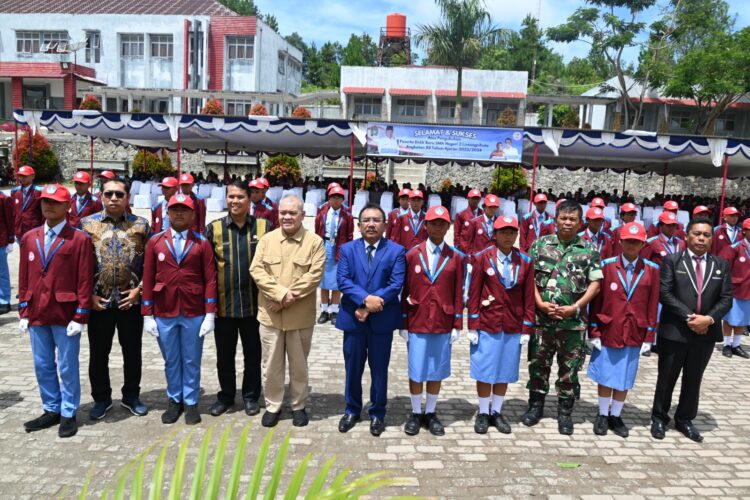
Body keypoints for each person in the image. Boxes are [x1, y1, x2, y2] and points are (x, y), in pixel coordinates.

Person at [18, 184, 94, 438]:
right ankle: (51, 408)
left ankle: (68, 411)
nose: (48, 205)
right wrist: (23, 310)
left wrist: (81, 314)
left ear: (67, 206)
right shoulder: (30, 237)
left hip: (65, 312)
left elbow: (84, 279)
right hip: (38, 310)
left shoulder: (79, 239)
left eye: (54, 202)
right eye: (44, 201)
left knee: (67, 365)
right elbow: (24, 276)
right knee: (42, 364)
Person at [523, 200, 602, 435]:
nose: (567, 223)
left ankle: (565, 413)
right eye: (563, 218)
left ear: (580, 223)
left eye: (572, 219)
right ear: (555, 219)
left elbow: (595, 283)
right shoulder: (539, 245)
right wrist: (539, 303)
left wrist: (575, 308)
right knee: (538, 365)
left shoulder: (589, 250)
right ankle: (535, 406)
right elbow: (528, 278)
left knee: (569, 370)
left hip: (573, 323)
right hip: (542, 321)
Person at [651, 218, 732, 443]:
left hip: (705, 333)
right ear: (686, 236)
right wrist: (691, 318)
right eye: (697, 234)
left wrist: (708, 319)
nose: (701, 238)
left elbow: (726, 299)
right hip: (675, 329)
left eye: (706, 235)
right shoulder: (671, 261)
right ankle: (659, 417)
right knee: (667, 377)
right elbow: (665, 294)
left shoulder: (720, 264)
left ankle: (685, 419)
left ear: (711, 239)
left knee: (694, 378)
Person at [249, 194, 325, 428]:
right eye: (283, 213)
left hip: (300, 317)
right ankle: (273, 404)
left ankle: (298, 405)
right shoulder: (267, 240)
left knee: (299, 365)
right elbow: (257, 270)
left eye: (292, 213)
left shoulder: (314, 242)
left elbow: (314, 275)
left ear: (302, 215)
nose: (287, 217)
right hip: (270, 316)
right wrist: (282, 295)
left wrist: (285, 298)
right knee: (271, 365)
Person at [142, 193, 218, 425]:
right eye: (174, 209)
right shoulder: (155, 241)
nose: (179, 213)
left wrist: (210, 314)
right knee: (171, 359)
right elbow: (147, 278)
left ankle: (191, 401)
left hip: (193, 311)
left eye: (184, 209)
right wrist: (147, 314)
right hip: (164, 310)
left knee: (191, 359)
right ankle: (174, 400)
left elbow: (210, 279)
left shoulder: (201, 243)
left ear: (193, 214)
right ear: (167, 212)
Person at [80, 178, 151, 420]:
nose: (113, 198)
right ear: (101, 196)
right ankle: (101, 398)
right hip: (98, 302)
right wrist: (87, 295)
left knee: (132, 351)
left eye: (119, 194)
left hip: (130, 300)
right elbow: (78, 266)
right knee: (99, 352)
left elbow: (150, 266)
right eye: (108, 193)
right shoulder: (87, 225)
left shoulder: (141, 225)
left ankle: (131, 396)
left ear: (127, 198)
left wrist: (139, 291)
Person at [335, 203, 406, 436]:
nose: (371, 224)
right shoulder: (347, 249)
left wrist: (371, 305)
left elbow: (396, 284)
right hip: (354, 320)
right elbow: (343, 280)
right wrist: (365, 300)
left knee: (379, 370)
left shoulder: (396, 251)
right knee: (352, 368)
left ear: (385, 225)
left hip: (381, 322)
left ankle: (377, 413)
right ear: (359, 225)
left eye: (376, 220)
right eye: (366, 220)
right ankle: (352, 409)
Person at [205, 180, 273, 417]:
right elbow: (207, 270)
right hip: (224, 307)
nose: (235, 201)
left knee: (253, 356)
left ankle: (251, 396)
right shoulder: (213, 229)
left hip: (256, 307)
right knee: (225, 356)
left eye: (240, 197)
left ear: (250, 199)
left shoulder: (265, 227)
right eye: (231, 196)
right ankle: (225, 397)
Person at [588, 222, 659, 438]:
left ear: (643, 244)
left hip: (634, 330)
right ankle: (602, 414)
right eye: (628, 240)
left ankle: (616, 415)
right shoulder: (607, 265)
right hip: (609, 327)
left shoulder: (652, 270)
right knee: (606, 373)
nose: (632, 245)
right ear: (620, 241)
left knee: (625, 375)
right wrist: (593, 329)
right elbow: (596, 300)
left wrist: (650, 333)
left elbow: (653, 303)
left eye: (636, 242)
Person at [400, 206, 465, 437]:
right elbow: (404, 290)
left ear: (448, 227)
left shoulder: (456, 257)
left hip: (442, 321)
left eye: (442, 223)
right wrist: (403, 322)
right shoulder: (411, 255)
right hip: (417, 319)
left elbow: (459, 292)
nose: (438, 226)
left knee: (436, 369)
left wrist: (458, 323)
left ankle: (431, 412)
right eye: (433, 222)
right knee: (417, 369)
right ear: (425, 225)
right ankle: (416, 412)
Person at [466, 215, 534, 434]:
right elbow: (474, 293)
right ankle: (484, 411)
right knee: (485, 370)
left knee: (504, 370)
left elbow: (528, 296)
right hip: (488, 322)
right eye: (503, 232)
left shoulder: (524, 260)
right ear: (494, 235)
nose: (508, 236)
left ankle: (497, 411)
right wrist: (473, 324)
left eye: (512, 232)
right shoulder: (481, 258)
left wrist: (527, 326)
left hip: (512, 323)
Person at [315, 185, 354, 324]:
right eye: (333, 197)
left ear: (343, 199)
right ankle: (324, 310)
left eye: (338, 197)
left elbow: (350, 234)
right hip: (325, 247)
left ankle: (335, 311)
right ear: (329, 199)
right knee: (324, 282)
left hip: (340, 248)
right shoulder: (322, 211)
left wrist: (349, 252)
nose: (336, 200)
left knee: (337, 282)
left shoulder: (347, 215)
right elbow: (317, 230)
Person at [717, 218, 750, 359]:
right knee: (730, 318)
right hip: (735, 289)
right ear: (745, 231)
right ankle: (727, 344)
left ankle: (736, 345)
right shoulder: (735, 247)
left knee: (742, 318)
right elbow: (724, 268)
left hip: (748, 290)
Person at [11, 165, 43, 240]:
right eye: (20, 175)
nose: (21, 178)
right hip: (19, 230)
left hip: (34, 230)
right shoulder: (14, 192)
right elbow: (13, 212)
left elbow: (43, 213)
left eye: (24, 176)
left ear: (32, 176)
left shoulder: (39, 191)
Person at [454, 189, 483, 253]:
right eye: (473, 198)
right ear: (468, 198)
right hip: (464, 249)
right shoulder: (461, 214)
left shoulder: (483, 214)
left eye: (477, 198)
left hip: (479, 250)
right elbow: (457, 233)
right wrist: (457, 248)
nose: (475, 200)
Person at [0, 188, 14, 315]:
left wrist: (11, 238)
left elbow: (9, 219)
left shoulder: (3, 198)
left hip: (1, 240)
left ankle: (4, 300)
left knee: (2, 272)